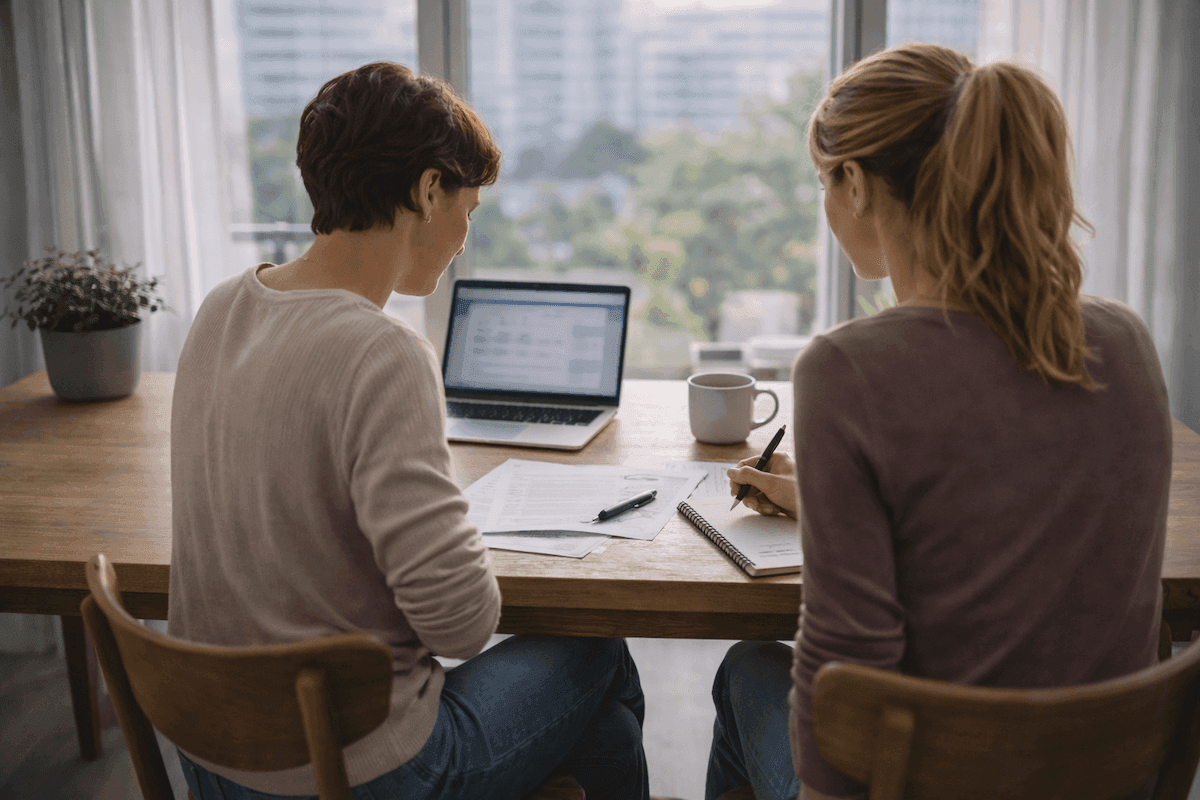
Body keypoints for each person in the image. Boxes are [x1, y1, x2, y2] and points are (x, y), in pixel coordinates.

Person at [167, 62, 649, 800]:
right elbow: (461, 624)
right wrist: (455, 527)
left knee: (607, 735)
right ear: (427, 191)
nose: (463, 237)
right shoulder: (383, 352)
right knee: (600, 648)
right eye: (468, 209)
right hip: (354, 769)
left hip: (214, 755)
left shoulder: (223, 305)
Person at [705, 43, 1172, 800]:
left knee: (745, 670)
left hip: (933, 783)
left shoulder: (847, 370)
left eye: (824, 182)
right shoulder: (1124, 340)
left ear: (856, 185)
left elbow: (848, 669)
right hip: (1111, 779)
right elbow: (1007, 523)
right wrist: (824, 500)